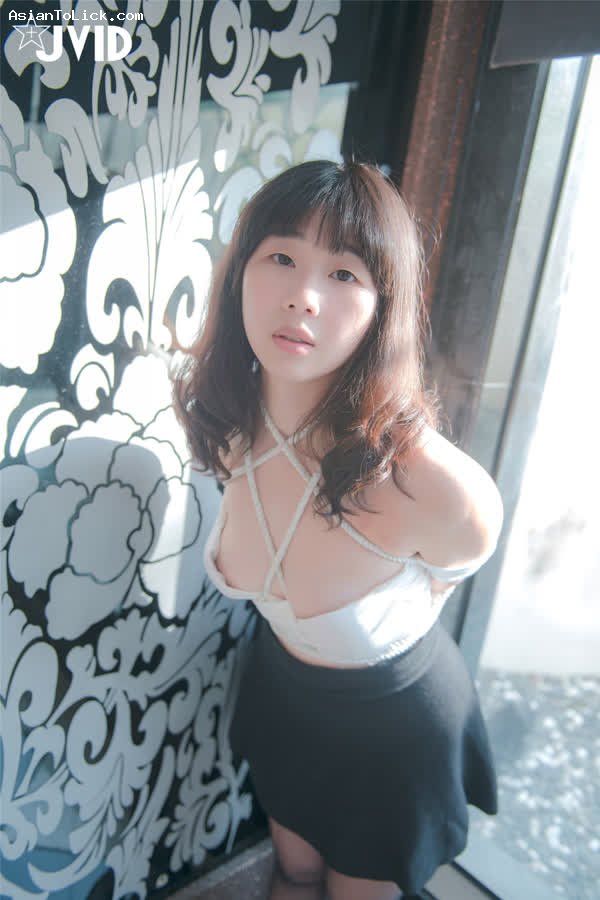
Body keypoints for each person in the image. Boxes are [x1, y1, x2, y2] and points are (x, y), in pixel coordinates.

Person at [174, 160, 503, 900]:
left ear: (384, 308)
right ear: (240, 272)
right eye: (281, 257)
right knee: (292, 873)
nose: (303, 296)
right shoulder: (229, 420)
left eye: (345, 273)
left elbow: (468, 548)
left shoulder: (423, 481)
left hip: (393, 730)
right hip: (285, 696)